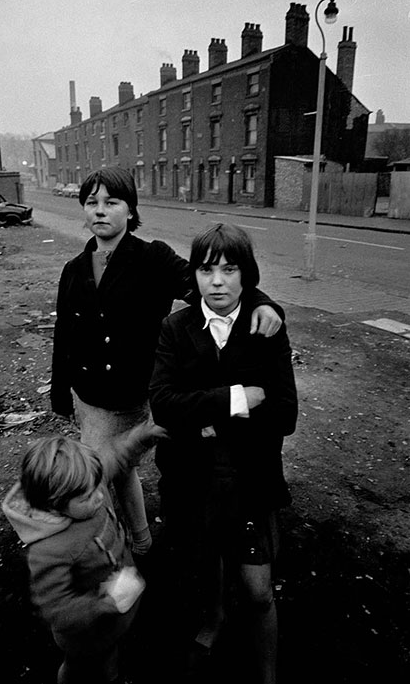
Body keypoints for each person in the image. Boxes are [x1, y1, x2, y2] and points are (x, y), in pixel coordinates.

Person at [50, 167, 283, 559]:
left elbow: (206, 288)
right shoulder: (73, 270)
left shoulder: (152, 257)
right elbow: (65, 334)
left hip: (139, 393)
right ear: (83, 211)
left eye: (112, 202)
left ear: (130, 210)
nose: (100, 211)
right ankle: (138, 541)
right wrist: (60, 391)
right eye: (92, 203)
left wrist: (261, 302)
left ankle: (114, 552)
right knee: (110, 474)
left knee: (103, 475)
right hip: (90, 396)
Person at [149, 222, 298, 684]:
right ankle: (213, 620)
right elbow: (163, 404)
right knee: (207, 558)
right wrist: (237, 399)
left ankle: (267, 672)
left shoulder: (264, 326)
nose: (217, 281)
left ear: (245, 275)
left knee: (257, 589)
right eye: (206, 269)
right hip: (192, 477)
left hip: (249, 478)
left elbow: (285, 413)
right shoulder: (175, 328)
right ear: (193, 275)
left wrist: (207, 419)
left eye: (229, 270)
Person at [2, 422, 165, 684]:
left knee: (110, 653)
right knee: (83, 664)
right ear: (55, 503)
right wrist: (102, 605)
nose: (100, 496)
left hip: (114, 614)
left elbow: (113, 455)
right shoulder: (48, 549)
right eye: (88, 497)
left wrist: (140, 436)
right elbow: (56, 607)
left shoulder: (85, 485)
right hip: (86, 633)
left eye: (97, 486)